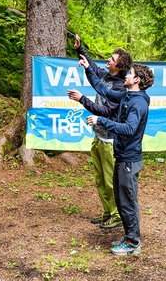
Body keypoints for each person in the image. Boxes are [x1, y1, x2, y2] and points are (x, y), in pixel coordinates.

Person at [79, 54, 155, 255]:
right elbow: (104, 89)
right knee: (121, 200)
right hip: (122, 156)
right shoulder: (128, 96)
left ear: (136, 80)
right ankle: (129, 236)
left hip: (129, 159)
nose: (126, 76)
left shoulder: (138, 103)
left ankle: (133, 243)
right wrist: (88, 68)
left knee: (128, 201)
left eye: (130, 73)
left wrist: (101, 121)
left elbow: (129, 129)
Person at [67, 35, 133, 230]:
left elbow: (105, 111)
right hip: (98, 137)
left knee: (110, 180)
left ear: (119, 67)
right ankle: (107, 212)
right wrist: (81, 50)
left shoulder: (120, 88)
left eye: (111, 60)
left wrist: (82, 99)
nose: (108, 61)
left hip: (110, 141)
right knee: (99, 179)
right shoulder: (107, 76)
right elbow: (93, 69)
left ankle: (116, 215)